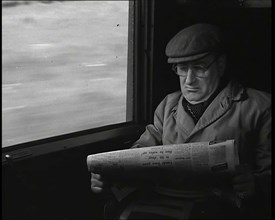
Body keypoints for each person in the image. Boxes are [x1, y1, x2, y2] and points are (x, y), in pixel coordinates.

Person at [90, 23, 271, 219]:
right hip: (164, 203)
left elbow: (268, 172)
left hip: (221, 207)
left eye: (199, 68)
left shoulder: (259, 106)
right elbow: (140, 151)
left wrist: (256, 184)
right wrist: (111, 176)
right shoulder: (168, 104)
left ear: (221, 65)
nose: (189, 80)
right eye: (182, 69)